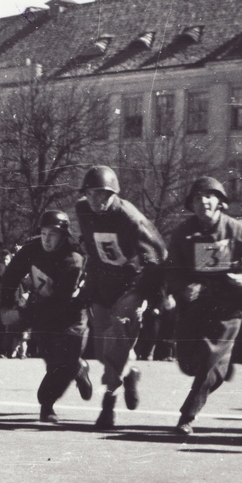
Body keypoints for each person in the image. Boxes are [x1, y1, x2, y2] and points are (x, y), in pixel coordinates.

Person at [164, 177, 242, 436]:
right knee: (188, 362)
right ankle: (221, 367)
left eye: (209, 196)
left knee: (209, 358)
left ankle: (187, 416)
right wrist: (182, 287)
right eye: (197, 197)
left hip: (230, 304)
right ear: (191, 204)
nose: (203, 201)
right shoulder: (183, 233)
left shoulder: (237, 230)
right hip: (196, 305)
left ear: (220, 202)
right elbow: (171, 269)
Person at [74, 165, 167, 429]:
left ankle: (108, 403)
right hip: (102, 283)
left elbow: (159, 254)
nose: (96, 201)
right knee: (106, 348)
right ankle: (129, 374)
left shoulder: (131, 218)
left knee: (117, 338)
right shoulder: (82, 210)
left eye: (103, 195)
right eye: (91, 194)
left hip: (131, 285)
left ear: (114, 194)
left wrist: (155, 296)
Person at [0, 210, 94, 423]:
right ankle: (77, 370)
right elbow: (10, 277)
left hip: (70, 313)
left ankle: (46, 403)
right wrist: (6, 306)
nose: (47, 239)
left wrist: (22, 314)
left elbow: (60, 301)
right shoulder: (31, 249)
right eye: (43, 233)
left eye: (52, 234)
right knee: (51, 360)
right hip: (41, 307)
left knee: (66, 359)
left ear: (63, 235)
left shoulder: (73, 258)